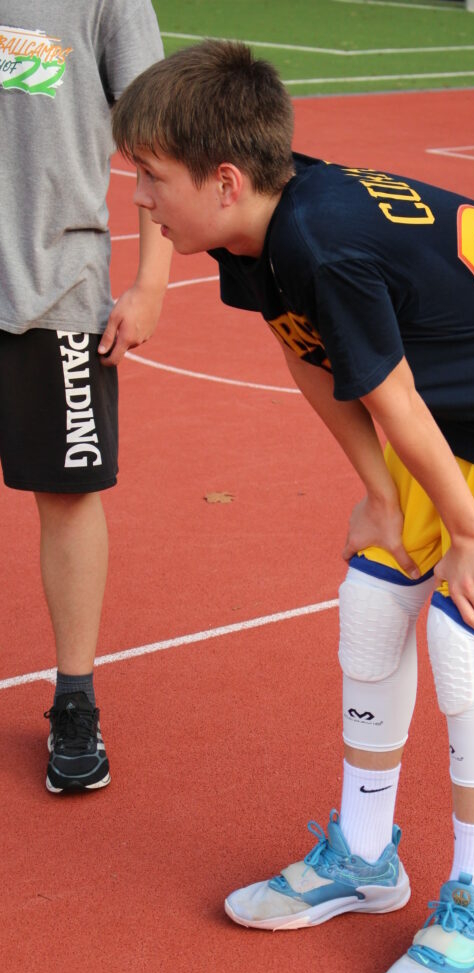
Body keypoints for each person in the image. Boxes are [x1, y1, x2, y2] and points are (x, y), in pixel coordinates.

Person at [111, 41, 474, 973]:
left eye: (149, 177)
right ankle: (361, 856)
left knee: (465, 636)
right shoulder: (255, 230)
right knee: (371, 597)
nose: (137, 199)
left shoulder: (321, 243)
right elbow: (306, 352)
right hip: (457, 392)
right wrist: (380, 495)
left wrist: (468, 537)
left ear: (223, 181)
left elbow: (388, 392)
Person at [0, 1, 172, 794]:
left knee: (67, 496)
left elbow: (161, 136)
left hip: (55, 289)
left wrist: (151, 282)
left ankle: (75, 701)